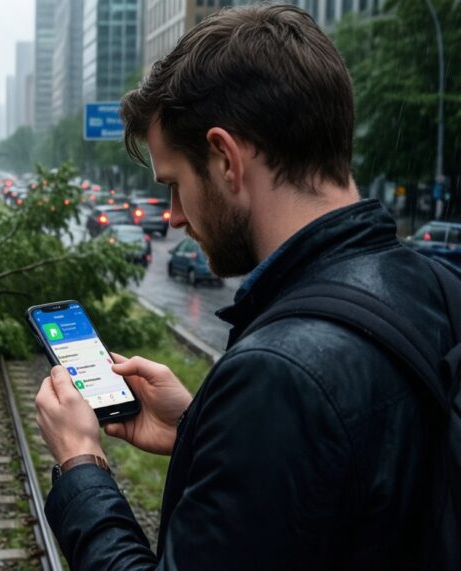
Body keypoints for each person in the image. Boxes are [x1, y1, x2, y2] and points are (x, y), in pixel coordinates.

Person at [34, 5, 458, 570]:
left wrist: (81, 466)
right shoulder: (441, 285)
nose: (175, 217)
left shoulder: (280, 375)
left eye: (177, 185)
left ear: (227, 160)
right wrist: (201, 426)